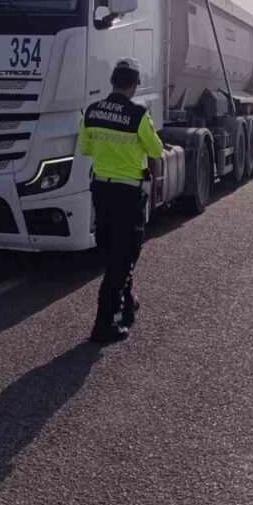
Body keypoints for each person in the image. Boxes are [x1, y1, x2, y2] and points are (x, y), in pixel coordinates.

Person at [78, 57, 164, 344]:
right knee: (124, 256)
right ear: (134, 84)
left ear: (113, 81)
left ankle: (128, 303)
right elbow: (155, 149)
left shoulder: (92, 110)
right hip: (129, 193)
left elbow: (86, 147)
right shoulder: (138, 114)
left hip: (101, 191)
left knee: (112, 252)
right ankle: (104, 323)